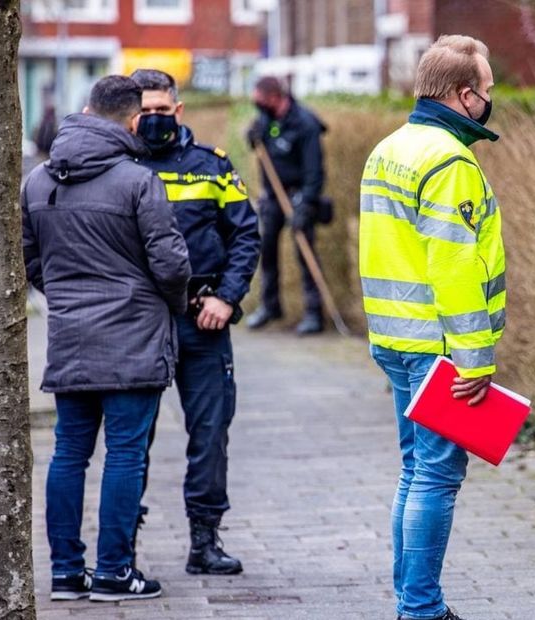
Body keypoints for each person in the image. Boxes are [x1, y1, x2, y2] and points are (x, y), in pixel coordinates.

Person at [21, 75, 190, 602]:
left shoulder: (38, 182)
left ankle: (66, 574)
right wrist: (167, 304)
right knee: (124, 455)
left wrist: (68, 299)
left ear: (86, 110)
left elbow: (32, 263)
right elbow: (171, 264)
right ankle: (116, 572)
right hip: (134, 339)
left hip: (70, 338)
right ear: (133, 120)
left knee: (69, 453)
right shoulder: (138, 182)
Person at [358, 35, 505, 620]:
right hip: (438, 349)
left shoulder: (390, 147)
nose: (491, 99)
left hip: (395, 339)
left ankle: (410, 600)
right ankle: (420, 608)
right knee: (436, 478)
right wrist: (474, 355)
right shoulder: (449, 161)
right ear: (464, 95)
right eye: (487, 90)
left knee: (415, 470)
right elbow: (453, 263)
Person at [129, 68, 260, 575]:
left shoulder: (212, 167)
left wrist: (227, 298)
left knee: (209, 433)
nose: (155, 120)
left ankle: (205, 543)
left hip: (203, 320)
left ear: (178, 111)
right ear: (131, 115)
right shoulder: (118, 165)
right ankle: (125, 549)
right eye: (146, 112)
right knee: (132, 438)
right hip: (139, 323)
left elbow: (245, 234)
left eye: (163, 111)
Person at [245, 76, 328, 334]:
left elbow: (315, 170)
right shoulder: (267, 120)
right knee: (266, 248)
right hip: (273, 196)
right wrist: (252, 137)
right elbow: (259, 143)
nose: (257, 106)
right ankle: (270, 306)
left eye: (260, 101)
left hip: (299, 196)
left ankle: (314, 314)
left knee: (305, 253)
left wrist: (306, 202)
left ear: (274, 97)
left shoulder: (305, 124)